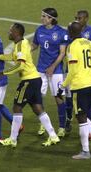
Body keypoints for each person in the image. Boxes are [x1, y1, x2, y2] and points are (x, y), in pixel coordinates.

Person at [0, 23, 60, 148]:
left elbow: (21, 65)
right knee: (37, 108)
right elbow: (13, 57)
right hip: (35, 79)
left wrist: (3, 73)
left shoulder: (20, 46)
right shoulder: (21, 44)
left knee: (17, 108)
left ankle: (13, 139)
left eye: (10, 31)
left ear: (17, 33)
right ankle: (53, 136)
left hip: (28, 81)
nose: (9, 32)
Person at [58, 21, 91, 159]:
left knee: (81, 117)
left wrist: (62, 86)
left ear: (71, 32)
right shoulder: (89, 43)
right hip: (90, 83)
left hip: (79, 86)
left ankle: (85, 151)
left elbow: (72, 70)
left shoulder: (72, 46)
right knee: (83, 115)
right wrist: (89, 75)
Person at [65, 10, 91, 132]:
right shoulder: (71, 30)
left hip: (83, 74)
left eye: (79, 18)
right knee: (69, 98)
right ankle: (69, 118)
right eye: (76, 18)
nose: (77, 19)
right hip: (71, 69)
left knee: (85, 103)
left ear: (86, 18)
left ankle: (87, 124)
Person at [31, 8, 68, 137]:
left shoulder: (61, 32)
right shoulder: (39, 30)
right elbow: (34, 45)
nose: (42, 18)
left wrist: (52, 67)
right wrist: (25, 51)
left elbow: (62, 53)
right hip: (41, 69)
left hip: (56, 71)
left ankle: (62, 127)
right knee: (39, 98)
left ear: (51, 19)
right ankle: (43, 124)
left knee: (58, 97)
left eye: (44, 16)